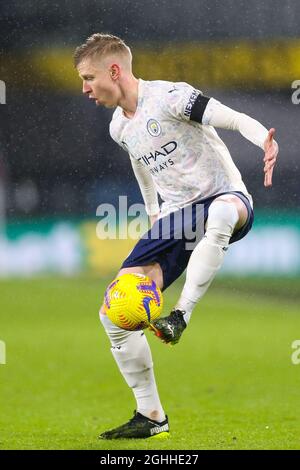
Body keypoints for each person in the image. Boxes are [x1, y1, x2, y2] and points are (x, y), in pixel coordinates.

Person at [74, 33, 278, 439]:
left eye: (88, 77)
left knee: (220, 213)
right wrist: (154, 214)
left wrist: (264, 142)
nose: (85, 89)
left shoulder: (171, 97)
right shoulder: (119, 126)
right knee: (113, 314)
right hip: (177, 218)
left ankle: (180, 316)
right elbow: (142, 166)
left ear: (114, 71)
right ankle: (151, 417)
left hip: (228, 197)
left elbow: (233, 118)